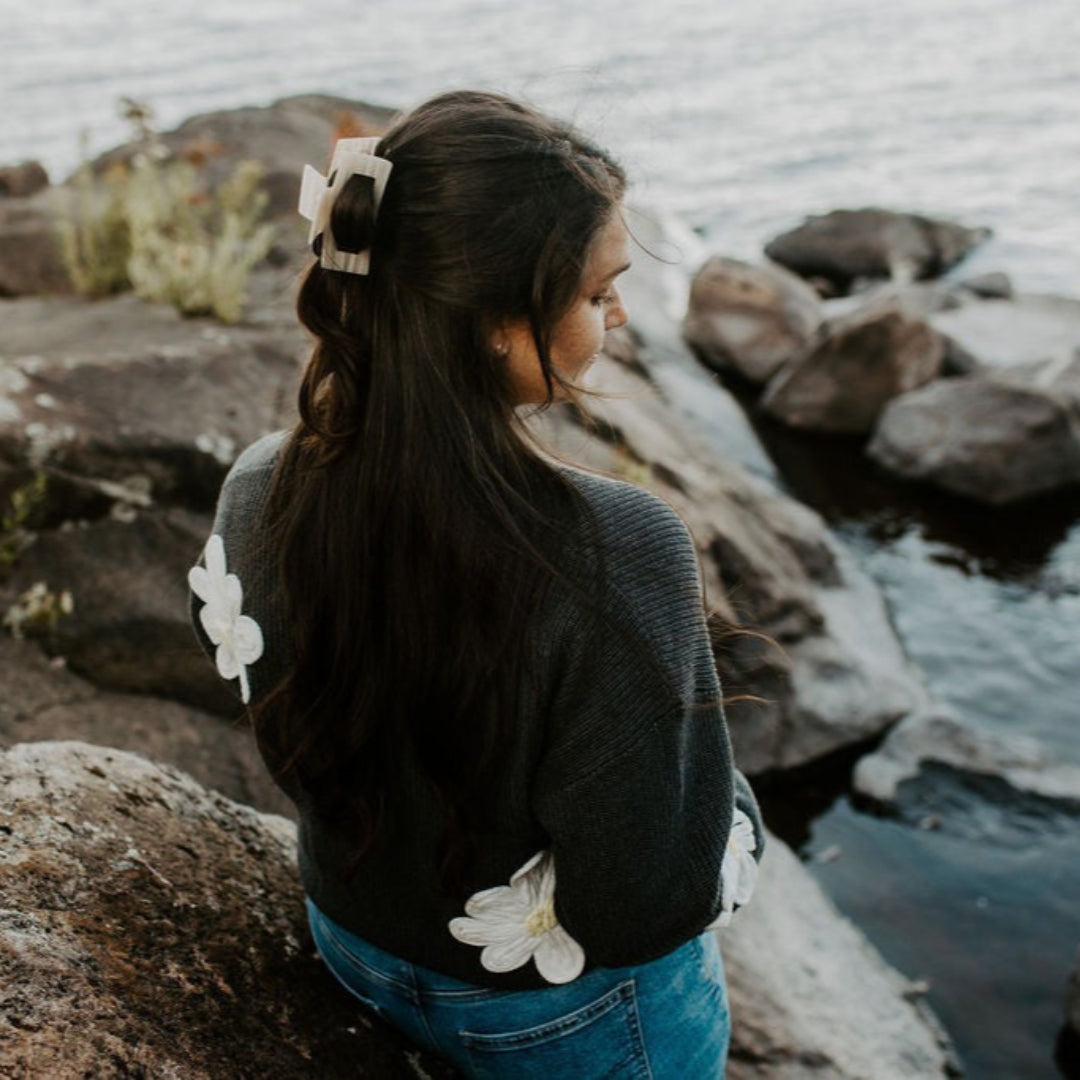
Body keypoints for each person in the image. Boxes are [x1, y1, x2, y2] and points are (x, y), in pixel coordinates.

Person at [188, 89, 764, 1078]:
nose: (621, 314)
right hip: (569, 1023)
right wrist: (739, 821)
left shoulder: (257, 488)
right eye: (597, 292)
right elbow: (642, 905)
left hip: (355, 948)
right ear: (499, 324)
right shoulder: (617, 548)